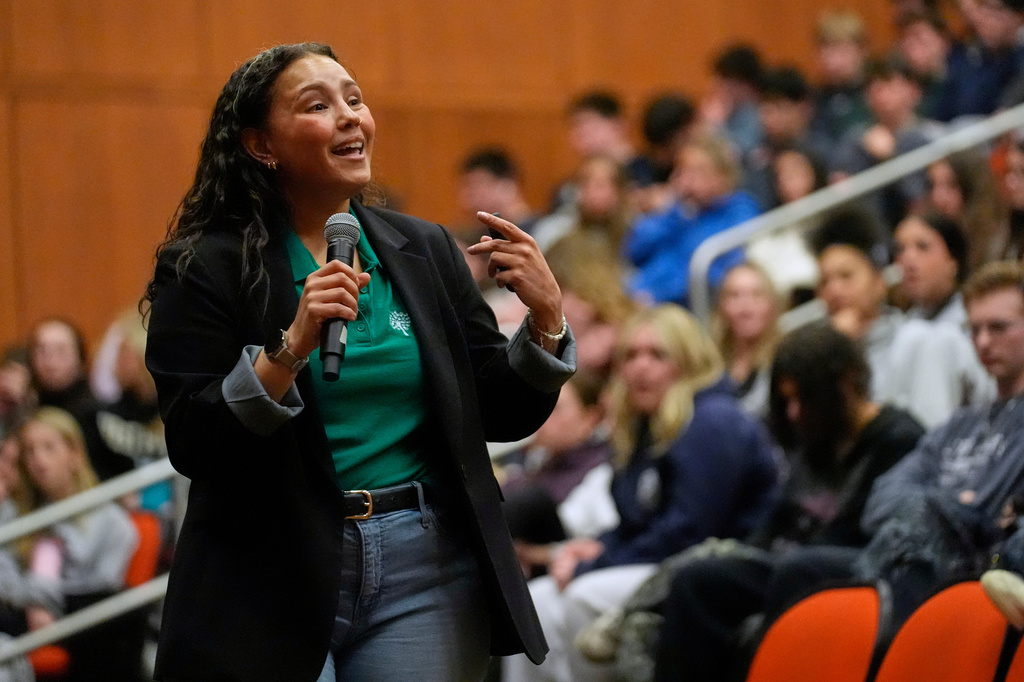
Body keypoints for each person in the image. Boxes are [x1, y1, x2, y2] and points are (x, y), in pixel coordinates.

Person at [143, 43, 575, 682]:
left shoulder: (423, 247)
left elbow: (499, 410)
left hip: (422, 566)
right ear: (262, 144)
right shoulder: (204, 266)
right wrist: (290, 347)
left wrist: (545, 321)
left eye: (354, 99)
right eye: (318, 106)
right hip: (272, 566)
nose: (350, 117)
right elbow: (195, 441)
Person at [502, 305, 777, 682]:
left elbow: (688, 533)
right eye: (631, 355)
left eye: (657, 355)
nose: (640, 367)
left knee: (583, 594)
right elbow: (637, 522)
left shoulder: (713, 421)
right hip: (667, 559)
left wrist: (595, 564)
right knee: (540, 599)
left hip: (721, 565)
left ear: (687, 362)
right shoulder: (646, 426)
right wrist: (597, 546)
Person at [749, 260, 1024, 629]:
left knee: (808, 570)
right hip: (907, 554)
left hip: (971, 568)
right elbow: (880, 501)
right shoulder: (960, 424)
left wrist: (940, 509)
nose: (984, 342)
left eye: (999, 328)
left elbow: (988, 526)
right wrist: (951, 507)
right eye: (974, 329)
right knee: (743, 573)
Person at [652, 324, 924, 682]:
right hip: (786, 561)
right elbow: (775, 519)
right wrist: (742, 553)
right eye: (787, 402)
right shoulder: (818, 438)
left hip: (842, 566)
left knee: (793, 569)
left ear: (844, 385)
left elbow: (866, 533)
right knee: (698, 578)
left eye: (805, 400)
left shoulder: (898, 439)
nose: (794, 413)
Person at [0, 407, 138, 681]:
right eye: (29, 451)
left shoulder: (111, 520)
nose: (38, 460)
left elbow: (104, 586)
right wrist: (33, 603)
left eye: (49, 448)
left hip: (81, 619)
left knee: (123, 618)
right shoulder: (15, 514)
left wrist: (48, 601)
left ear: (74, 454)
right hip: (23, 614)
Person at [624, 133, 760, 306]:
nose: (688, 180)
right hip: (642, 295)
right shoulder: (679, 212)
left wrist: (659, 295)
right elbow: (634, 251)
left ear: (722, 175)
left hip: (687, 306)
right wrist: (672, 209)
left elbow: (720, 271)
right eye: (682, 171)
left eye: (698, 171)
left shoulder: (740, 209)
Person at [28, 317, 131, 481]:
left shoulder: (100, 414)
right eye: (42, 351)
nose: (50, 361)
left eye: (60, 350)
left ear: (80, 357)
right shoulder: (27, 415)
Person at [711, 263, 782, 420]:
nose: (746, 308)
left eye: (756, 295)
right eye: (734, 296)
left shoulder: (784, 358)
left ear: (772, 303)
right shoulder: (710, 366)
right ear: (721, 306)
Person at [926, 150, 1009, 271]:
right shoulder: (933, 236)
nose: (937, 197)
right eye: (932, 185)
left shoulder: (999, 237)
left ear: (972, 188)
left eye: (951, 185)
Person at [457, 147, 539, 237]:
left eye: (474, 189)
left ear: (506, 185)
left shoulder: (547, 235)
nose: (467, 202)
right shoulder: (475, 236)